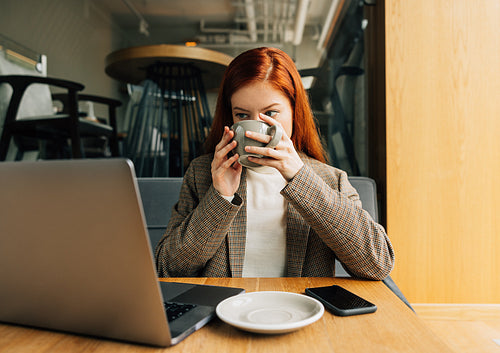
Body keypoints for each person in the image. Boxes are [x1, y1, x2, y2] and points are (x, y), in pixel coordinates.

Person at [155, 47, 394, 280]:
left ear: (294, 111)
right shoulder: (203, 174)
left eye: (270, 113)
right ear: (230, 117)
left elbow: (378, 264)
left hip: (300, 312)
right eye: (242, 115)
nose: (255, 126)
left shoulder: (330, 179)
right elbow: (167, 268)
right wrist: (221, 197)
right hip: (225, 311)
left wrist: (300, 177)